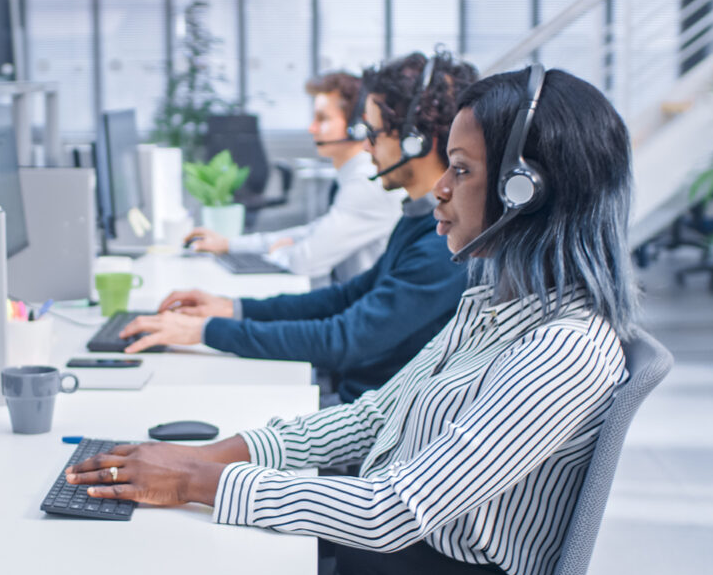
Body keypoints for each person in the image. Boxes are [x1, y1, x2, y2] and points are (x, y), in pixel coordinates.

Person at [69, 66, 640, 575]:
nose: (439, 187)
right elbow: (371, 420)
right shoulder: (491, 303)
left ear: (526, 194)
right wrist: (215, 455)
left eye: (461, 170)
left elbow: (390, 510)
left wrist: (196, 479)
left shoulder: (565, 350)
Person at [119, 51, 475, 406]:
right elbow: (345, 297)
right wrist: (233, 309)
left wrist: (206, 331)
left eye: (373, 132)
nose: (365, 146)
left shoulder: (443, 245)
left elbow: (342, 340)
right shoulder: (417, 218)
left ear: (417, 140)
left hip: (366, 419)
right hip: (357, 404)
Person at [184, 72, 402, 284]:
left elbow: (306, 260)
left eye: (322, 118)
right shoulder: (353, 176)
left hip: (361, 311)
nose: (311, 128)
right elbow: (314, 232)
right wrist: (229, 244)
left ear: (358, 128)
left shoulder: (367, 183)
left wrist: (280, 252)